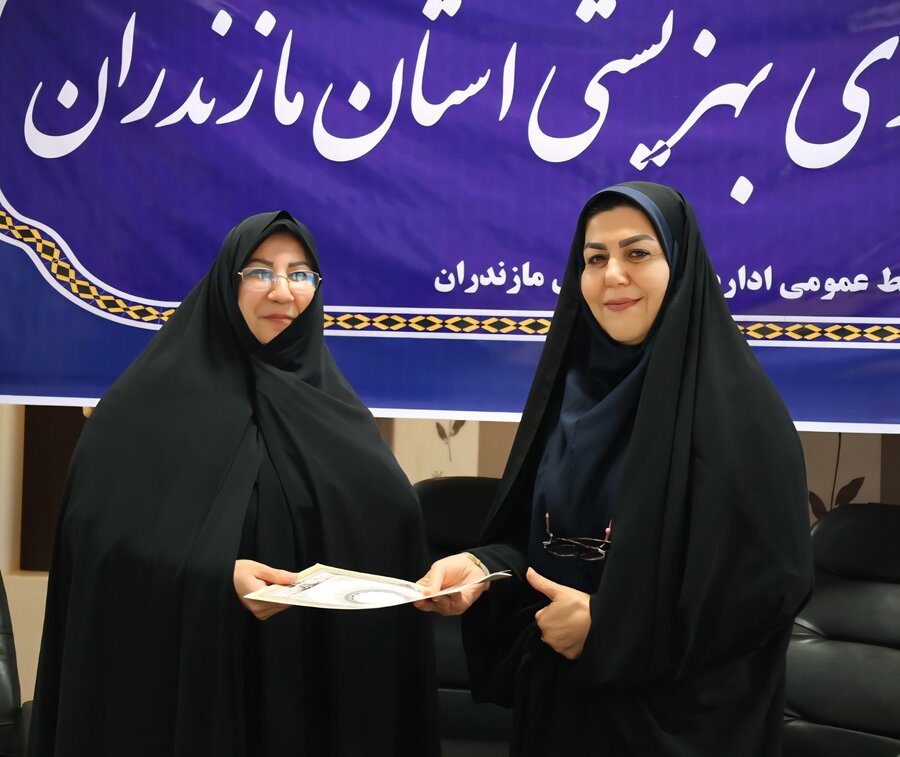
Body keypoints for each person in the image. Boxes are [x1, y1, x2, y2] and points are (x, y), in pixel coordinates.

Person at [416, 182, 814, 756]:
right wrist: (486, 567)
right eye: (595, 258)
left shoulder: (739, 415)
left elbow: (766, 590)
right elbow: (554, 542)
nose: (613, 276)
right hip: (563, 706)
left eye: (638, 253)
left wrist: (611, 629)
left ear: (680, 267)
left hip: (675, 724)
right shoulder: (572, 397)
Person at [29, 212, 439, 757]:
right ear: (227, 283)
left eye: (300, 274)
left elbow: (389, 521)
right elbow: (96, 543)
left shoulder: (335, 411)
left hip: (310, 688)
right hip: (190, 681)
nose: (283, 291)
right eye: (260, 272)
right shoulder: (142, 408)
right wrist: (213, 571)